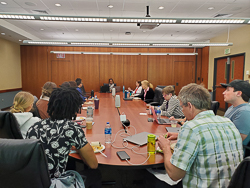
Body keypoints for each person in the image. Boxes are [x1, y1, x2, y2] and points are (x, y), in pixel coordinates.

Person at [157, 83, 243, 188]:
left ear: (189, 106)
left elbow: (174, 175)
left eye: (182, 107)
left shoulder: (191, 127)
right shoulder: (228, 122)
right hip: (230, 185)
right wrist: (180, 135)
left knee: (148, 178)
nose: (182, 111)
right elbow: (209, 137)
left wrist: (165, 147)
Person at [26, 87, 100, 187]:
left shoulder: (34, 127)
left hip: (32, 181)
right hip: (53, 184)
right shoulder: (71, 128)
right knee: (95, 174)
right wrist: (79, 149)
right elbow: (93, 164)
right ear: (74, 108)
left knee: (70, 162)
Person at [220, 79, 250, 147]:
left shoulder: (244, 112)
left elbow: (236, 140)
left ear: (238, 93)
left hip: (233, 151)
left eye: (228, 90)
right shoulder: (232, 107)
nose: (223, 93)